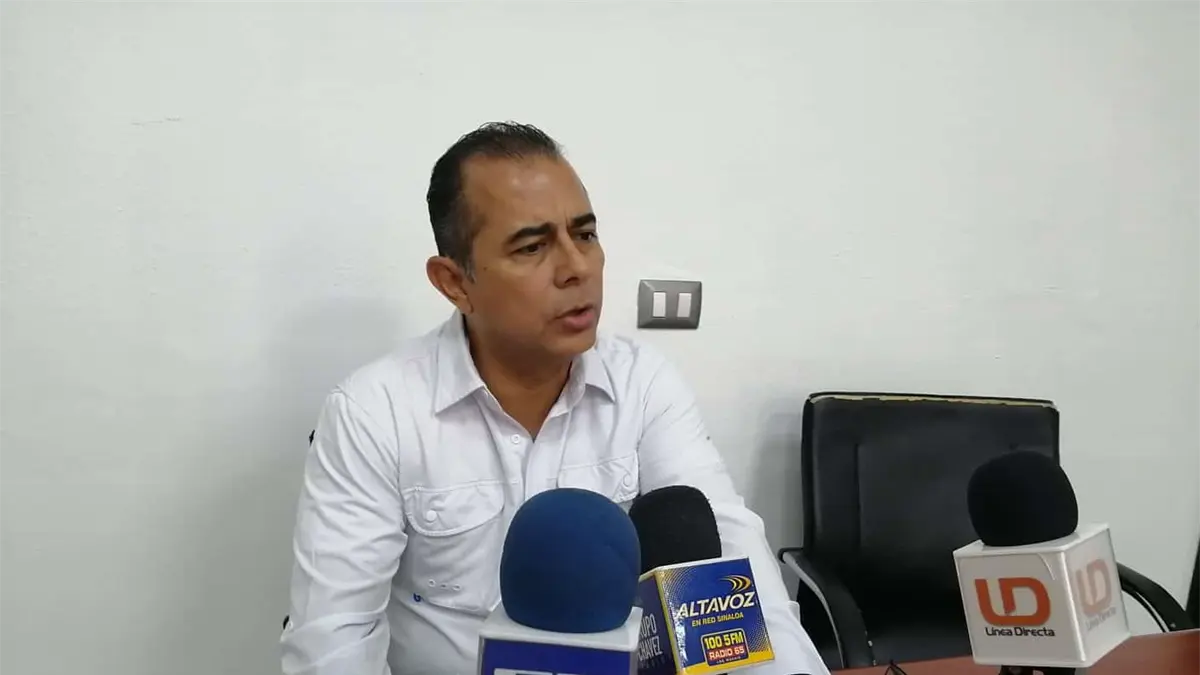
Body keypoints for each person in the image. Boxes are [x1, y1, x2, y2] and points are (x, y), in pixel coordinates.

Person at [280, 121, 828, 675]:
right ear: (455, 282)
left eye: (584, 235)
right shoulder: (374, 412)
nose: (576, 268)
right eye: (533, 247)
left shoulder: (643, 386)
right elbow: (334, 640)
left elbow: (738, 580)